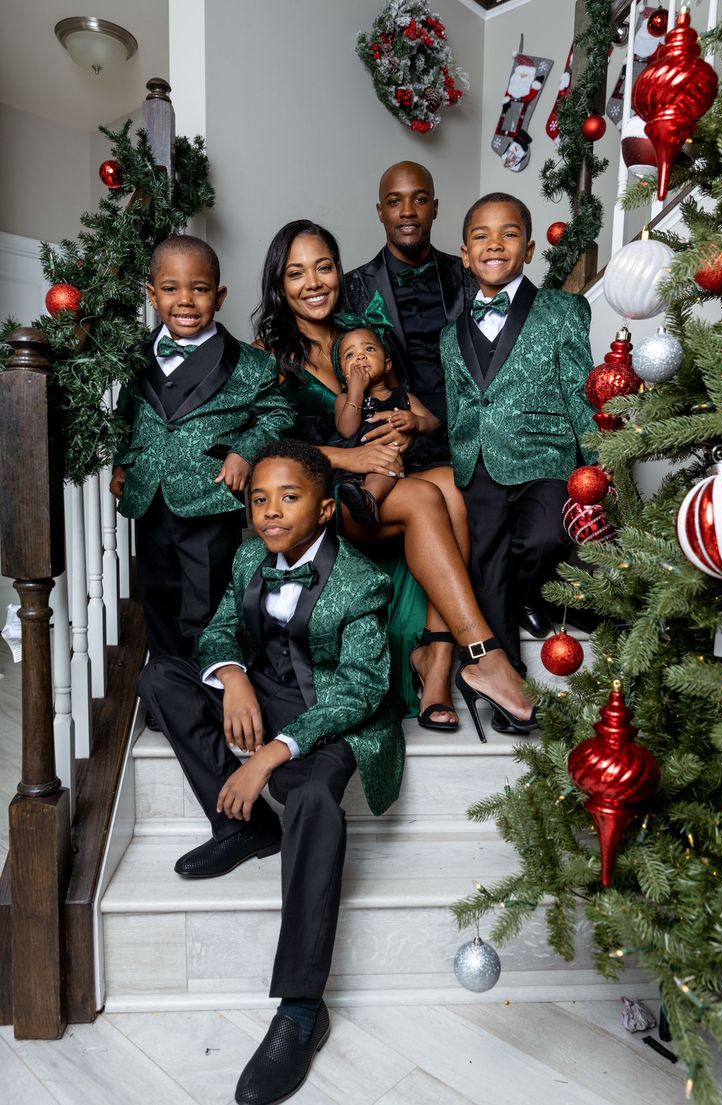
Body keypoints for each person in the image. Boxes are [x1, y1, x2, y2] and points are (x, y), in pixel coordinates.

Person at [138, 439, 405, 1105]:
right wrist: (233, 679)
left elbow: (361, 693)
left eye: (288, 497)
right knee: (161, 677)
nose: (270, 511)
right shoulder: (252, 555)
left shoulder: (363, 580)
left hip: (331, 713)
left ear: (322, 508)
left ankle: (300, 1006)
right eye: (260, 499)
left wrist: (272, 751)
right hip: (265, 690)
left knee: (315, 797)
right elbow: (221, 629)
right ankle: (249, 828)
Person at [252, 220, 535, 741]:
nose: (314, 282)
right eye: (296, 273)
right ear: (279, 283)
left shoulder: (363, 333)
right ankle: (483, 653)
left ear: (339, 271)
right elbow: (267, 449)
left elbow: (406, 401)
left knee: (454, 482)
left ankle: (437, 658)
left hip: (392, 474)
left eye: (324, 267)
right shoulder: (269, 355)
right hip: (333, 496)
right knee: (430, 494)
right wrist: (350, 458)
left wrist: (406, 429)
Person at [110, 235, 293, 670]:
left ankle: (210, 681)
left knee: (207, 598)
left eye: (200, 288)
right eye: (171, 289)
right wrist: (123, 460)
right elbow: (126, 414)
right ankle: (169, 684)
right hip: (151, 495)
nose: (186, 300)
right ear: (153, 295)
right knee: (157, 593)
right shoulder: (133, 358)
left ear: (220, 295)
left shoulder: (250, 364)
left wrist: (245, 452)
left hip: (211, 499)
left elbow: (279, 413)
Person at [440, 192, 596, 675]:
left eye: (509, 234)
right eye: (480, 236)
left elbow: (580, 389)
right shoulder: (451, 335)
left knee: (546, 538)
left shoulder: (563, 310)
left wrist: (595, 460)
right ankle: (506, 677)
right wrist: (459, 456)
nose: (494, 245)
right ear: (465, 254)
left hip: (546, 457)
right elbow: (459, 403)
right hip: (481, 462)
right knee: (486, 561)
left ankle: (531, 594)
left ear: (529, 250)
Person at [343, 161, 472, 432]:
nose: (407, 212)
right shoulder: (354, 287)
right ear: (380, 212)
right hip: (394, 425)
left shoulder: (470, 276)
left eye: (420, 199)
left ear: (435, 208)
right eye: (394, 201)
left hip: (468, 420)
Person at [333, 320, 444, 526]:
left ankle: (369, 498)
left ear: (387, 364)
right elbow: (347, 430)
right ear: (343, 375)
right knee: (381, 465)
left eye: (369, 348)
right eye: (350, 355)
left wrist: (416, 421)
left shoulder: (404, 397)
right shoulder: (345, 400)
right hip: (369, 463)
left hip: (408, 461)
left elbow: (434, 423)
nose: (360, 356)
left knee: (392, 461)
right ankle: (367, 498)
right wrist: (355, 390)